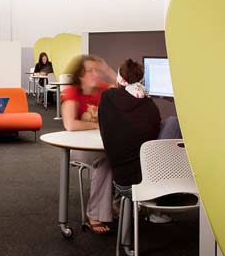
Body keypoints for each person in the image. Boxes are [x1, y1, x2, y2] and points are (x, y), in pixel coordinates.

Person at [99, 59, 183, 245]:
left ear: (119, 79)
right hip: (149, 184)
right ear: (142, 80)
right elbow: (150, 139)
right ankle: (158, 204)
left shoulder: (106, 98)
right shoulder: (150, 107)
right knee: (173, 123)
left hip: (122, 182)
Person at [61, 54, 114, 234]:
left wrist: (107, 70)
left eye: (96, 70)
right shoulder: (73, 92)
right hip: (80, 148)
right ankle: (94, 215)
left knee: (120, 156)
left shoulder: (102, 89)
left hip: (102, 144)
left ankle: (116, 205)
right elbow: (70, 124)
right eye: (89, 71)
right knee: (106, 162)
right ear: (81, 75)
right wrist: (97, 124)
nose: (95, 74)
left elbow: (123, 87)